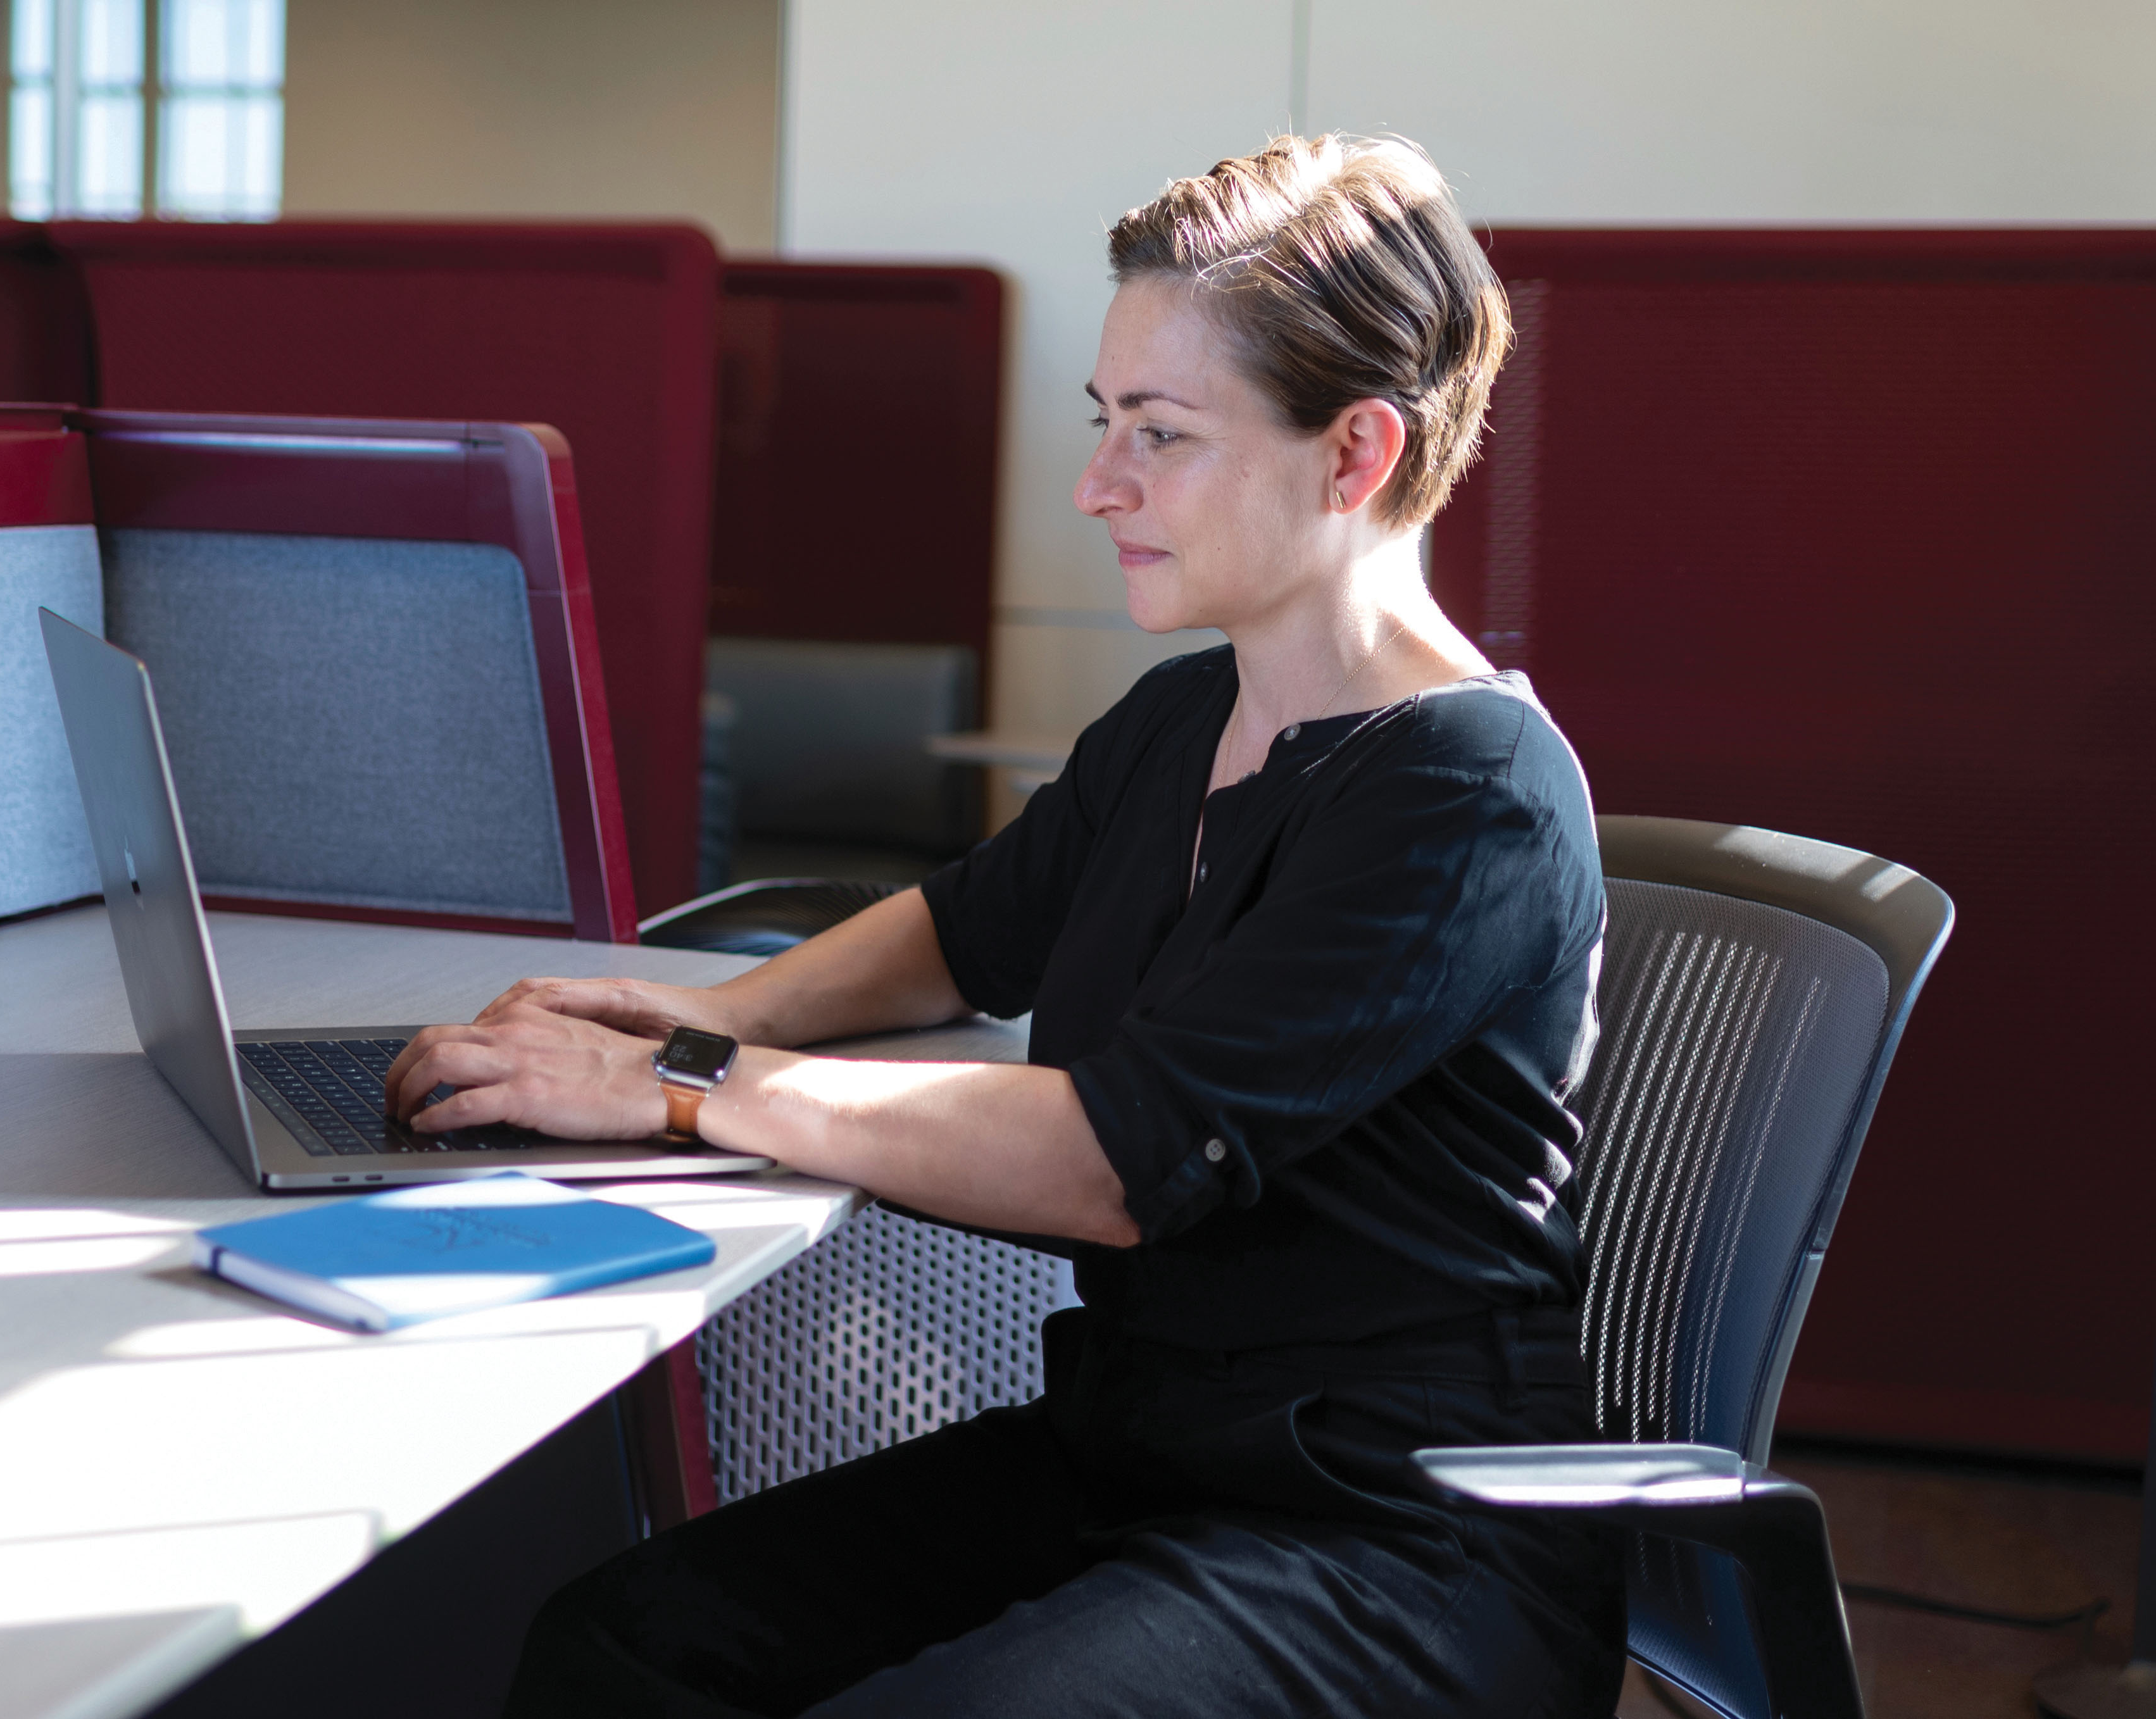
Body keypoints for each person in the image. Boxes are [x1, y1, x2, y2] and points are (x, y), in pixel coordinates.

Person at [387, 133, 1625, 1718]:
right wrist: (719, 1013)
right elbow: (966, 932)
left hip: (1386, 1531)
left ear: (1355, 452)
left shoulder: (1469, 785)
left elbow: (1116, 1158)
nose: (1097, 484)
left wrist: (688, 1084)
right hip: (1133, 1451)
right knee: (616, 1647)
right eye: (1105, 425)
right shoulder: (1185, 718)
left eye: (1160, 436)